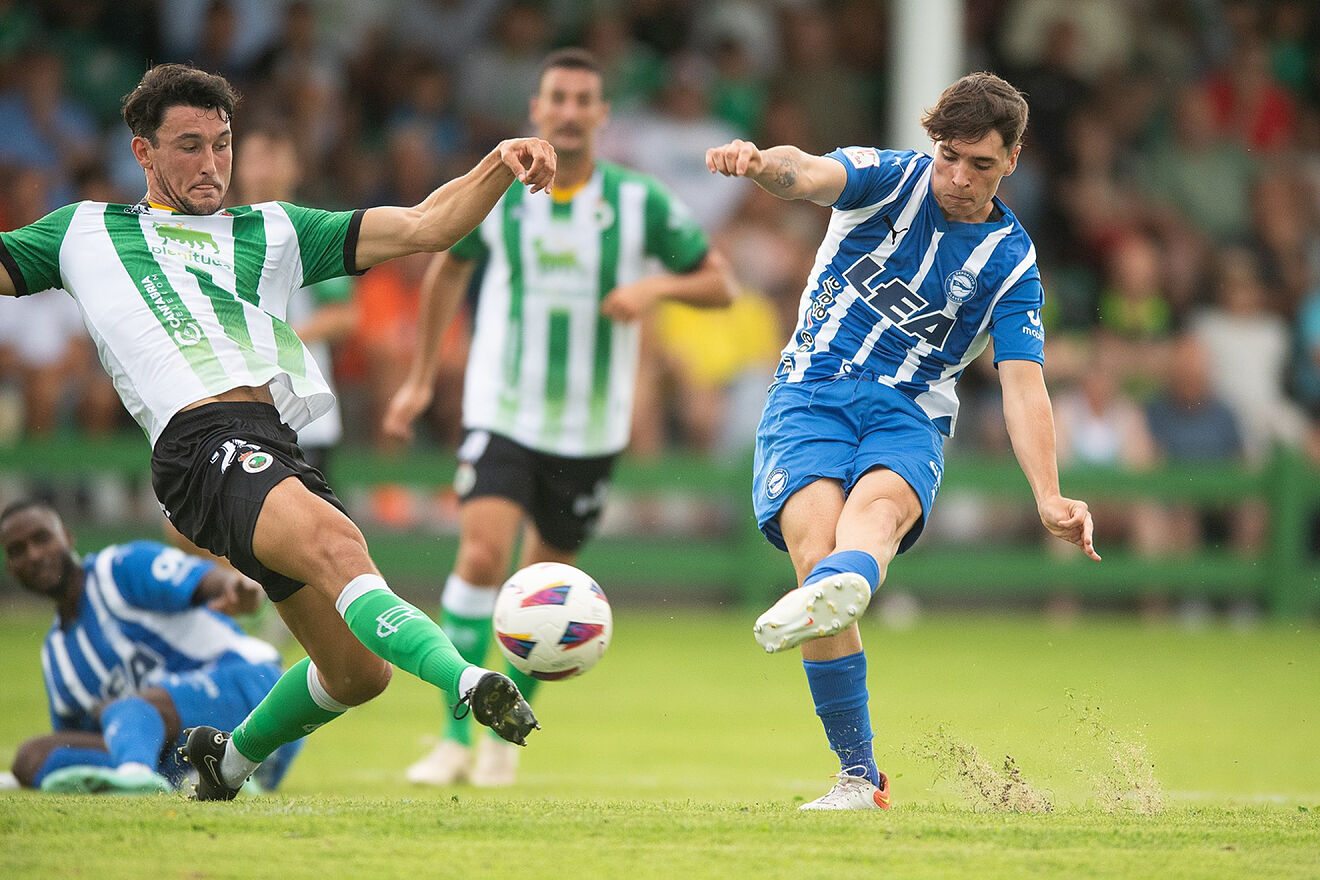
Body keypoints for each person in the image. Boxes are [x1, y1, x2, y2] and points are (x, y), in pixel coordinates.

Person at [0, 62, 556, 800]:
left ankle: (223, 765)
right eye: (189, 146)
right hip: (199, 443)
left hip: (269, 443)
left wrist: (500, 161)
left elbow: (428, 225)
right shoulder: (85, 231)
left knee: (359, 674)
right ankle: (467, 680)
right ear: (142, 153)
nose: (211, 164)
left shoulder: (274, 230)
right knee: (339, 546)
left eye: (222, 144)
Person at [705, 71, 1100, 811]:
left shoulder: (1012, 265)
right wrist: (762, 165)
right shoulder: (891, 180)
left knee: (872, 524)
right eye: (949, 155)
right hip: (809, 396)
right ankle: (860, 773)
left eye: (980, 164)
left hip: (908, 414)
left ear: (1012, 159)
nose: (957, 176)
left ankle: (847, 585)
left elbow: (1023, 384)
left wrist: (1048, 493)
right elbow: (810, 172)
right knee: (814, 559)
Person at [382, 48, 735, 787]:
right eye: (558, 99)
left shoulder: (639, 203)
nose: (570, 111)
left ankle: (503, 739)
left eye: (584, 99)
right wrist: (419, 380)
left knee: (545, 585)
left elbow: (718, 284)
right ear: (537, 110)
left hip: (590, 429)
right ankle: (452, 735)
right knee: (481, 556)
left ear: (602, 115)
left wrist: (655, 291)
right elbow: (447, 262)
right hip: (501, 410)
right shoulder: (502, 193)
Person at [1, 499, 301, 795]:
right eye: (17, 551)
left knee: (131, 707)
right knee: (31, 757)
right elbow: (77, 740)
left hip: (257, 694)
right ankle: (200, 778)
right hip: (181, 752)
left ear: (66, 536)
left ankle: (137, 778)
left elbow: (204, 580)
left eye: (42, 539)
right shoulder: (56, 657)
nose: (35, 555)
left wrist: (233, 589)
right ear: (11, 568)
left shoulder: (119, 569)